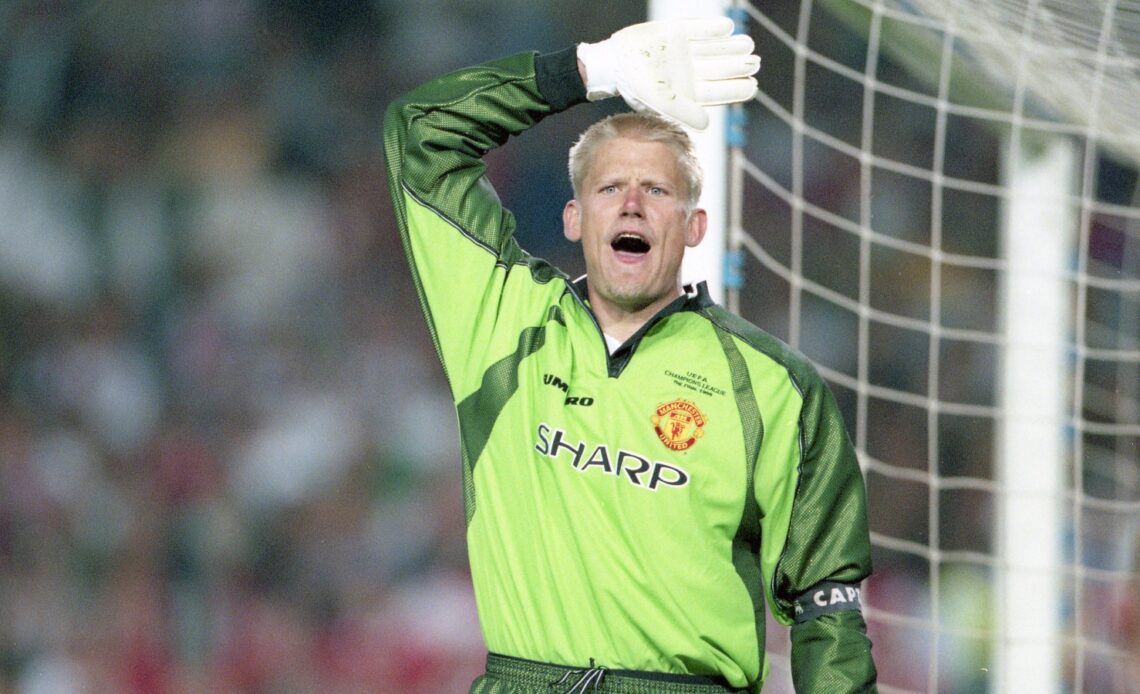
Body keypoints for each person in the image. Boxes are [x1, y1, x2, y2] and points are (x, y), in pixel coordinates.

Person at [383, 16, 876, 693]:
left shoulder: (771, 385)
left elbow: (827, 607)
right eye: (610, 188)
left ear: (693, 226)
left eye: (659, 191)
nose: (633, 206)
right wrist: (590, 72)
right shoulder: (504, 321)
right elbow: (421, 135)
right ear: (574, 218)